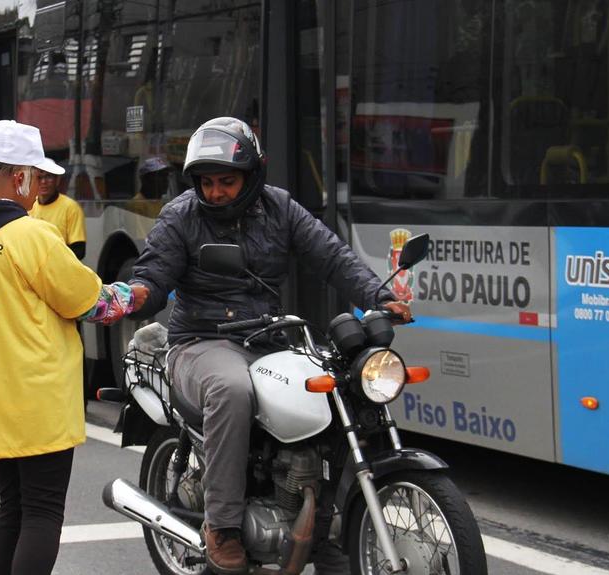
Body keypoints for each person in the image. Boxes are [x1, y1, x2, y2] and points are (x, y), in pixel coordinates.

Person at [125, 117, 411, 575]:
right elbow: (153, 274)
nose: (216, 192)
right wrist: (137, 294)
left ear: (252, 175)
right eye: (207, 182)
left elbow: (331, 255)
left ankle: (318, 526)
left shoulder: (279, 208)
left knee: (335, 386)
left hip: (268, 336)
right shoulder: (181, 216)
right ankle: (222, 527)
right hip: (201, 340)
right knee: (232, 390)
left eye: (227, 181)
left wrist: (380, 296)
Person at [0, 120, 133, 575]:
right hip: (36, 400)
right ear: (20, 176)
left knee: (13, 508)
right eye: (35, 174)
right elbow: (91, 303)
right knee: (43, 513)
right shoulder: (30, 236)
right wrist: (133, 294)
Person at [27, 160, 86, 259]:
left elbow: (79, 250)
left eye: (48, 176)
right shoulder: (28, 205)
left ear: (57, 180)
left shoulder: (71, 207)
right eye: (39, 177)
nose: (43, 182)